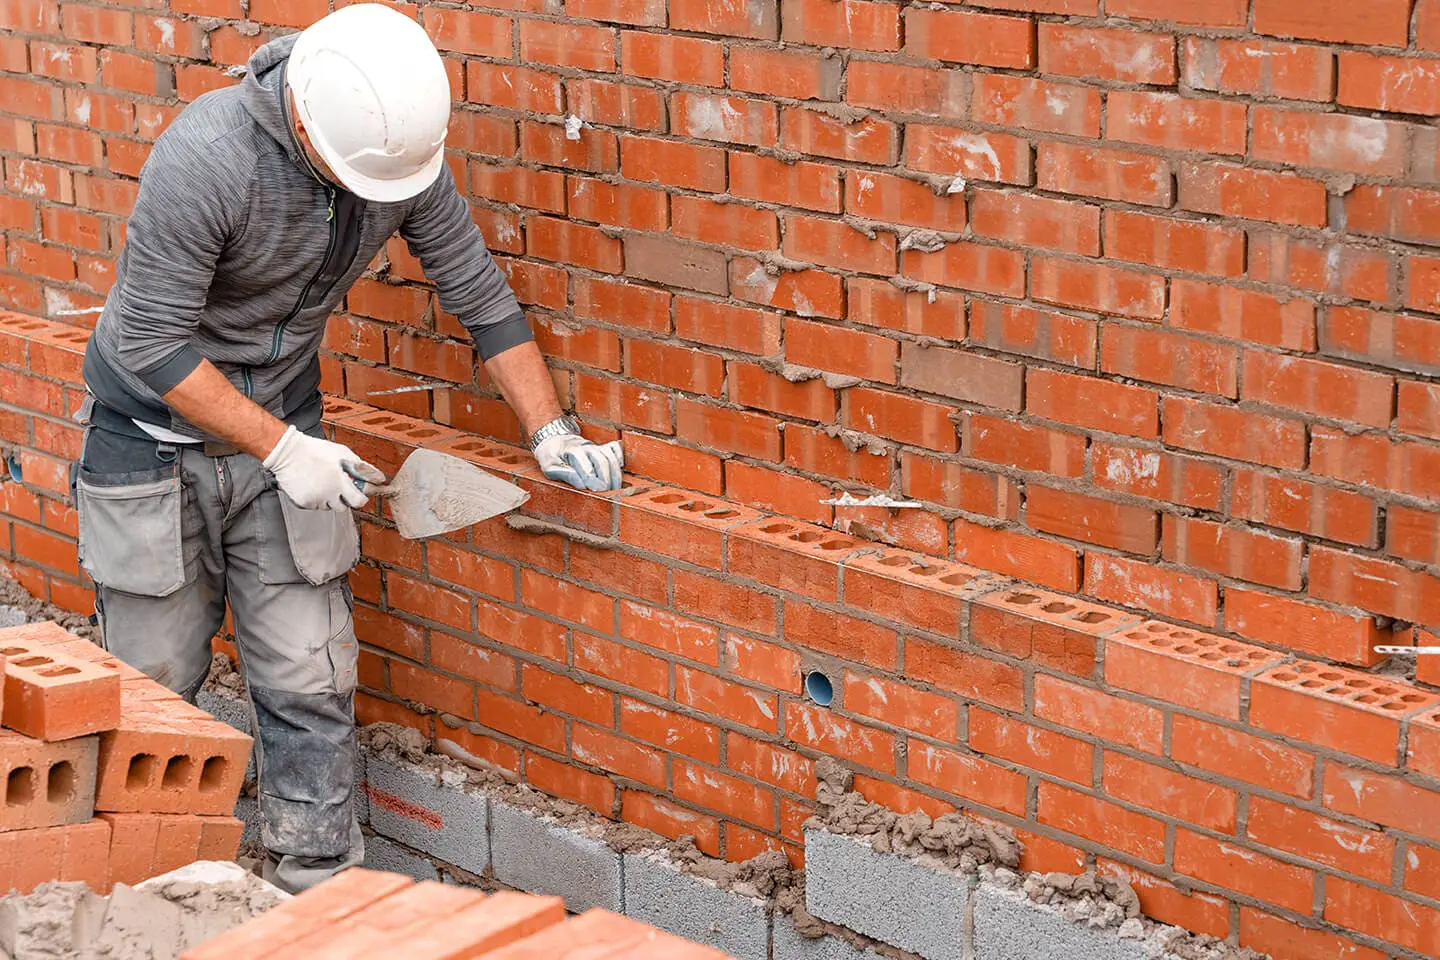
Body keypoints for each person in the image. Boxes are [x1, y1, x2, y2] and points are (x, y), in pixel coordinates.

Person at [71, 4, 622, 893]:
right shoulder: (209, 157)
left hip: (285, 428)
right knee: (154, 681)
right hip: (152, 439)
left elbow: (475, 290)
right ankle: (143, 894)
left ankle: (318, 891)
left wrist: (550, 429)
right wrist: (286, 451)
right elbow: (150, 346)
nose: (378, 200)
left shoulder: (393, 156)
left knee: (308, 671)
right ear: (302, 122)